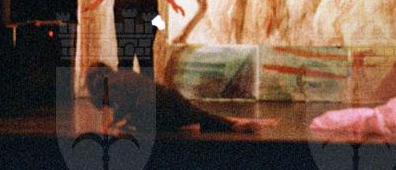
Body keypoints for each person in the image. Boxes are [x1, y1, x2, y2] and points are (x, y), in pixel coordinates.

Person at [86, 62, 277, 133]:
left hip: (158, 108)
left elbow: (125, 105)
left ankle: (227, 124)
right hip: (168, 96)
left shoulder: (109, 84)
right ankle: (234, 123)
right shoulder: (122, 75)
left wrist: (114, 123)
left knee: (133, 125)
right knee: (203, 116)